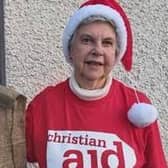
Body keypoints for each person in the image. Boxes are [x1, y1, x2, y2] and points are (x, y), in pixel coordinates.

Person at [26, 0, 167, 167]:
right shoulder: (42, 106)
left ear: (116, 54)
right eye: (87, 40)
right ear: (70, 49)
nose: (97, 50)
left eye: (107, 43)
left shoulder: (138, 107)